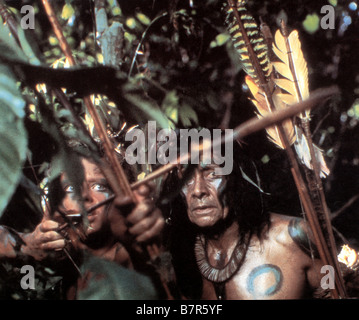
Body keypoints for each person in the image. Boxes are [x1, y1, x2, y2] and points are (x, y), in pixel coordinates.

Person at [162, 141, 330, 300]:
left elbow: (343, 289)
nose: (197, 190)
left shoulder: (292, 236)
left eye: (212, 173)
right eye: (186, 178)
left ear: (237, 179)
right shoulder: (177, 258)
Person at [0, 148, 165, 299]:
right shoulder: (59, 251)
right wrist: (28, 244)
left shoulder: (127, 252)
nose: (84, 195)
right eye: (71, 188)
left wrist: (140, 244)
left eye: (99, 186)